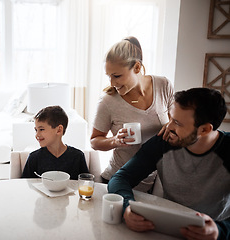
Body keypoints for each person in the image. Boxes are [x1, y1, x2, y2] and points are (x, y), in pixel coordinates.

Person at [108, 88, 230, 240]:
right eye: (170, 118)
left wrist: (220, 230)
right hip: (165, 228)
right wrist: (127, 206)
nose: (169, 126)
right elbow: (120, 178)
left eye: (177, 123)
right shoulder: (164, 141)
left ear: (204, 129)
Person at [90, 36, 174, 191]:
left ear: (136, 67)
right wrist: (115, 141)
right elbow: (94, 141)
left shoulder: (164, 86)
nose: (112, 83)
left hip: (154, 182)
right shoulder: (108, 101)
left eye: (117, 76)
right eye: (109, 76)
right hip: (117, 181)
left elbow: (174, 124)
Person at [22, 106, 89, 180]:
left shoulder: (78, 156)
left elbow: (86, 184)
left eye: (41, 129)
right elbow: (24, 186)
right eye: (36, 130)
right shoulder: (34, 158)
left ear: (59, 130)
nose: (37, 135)